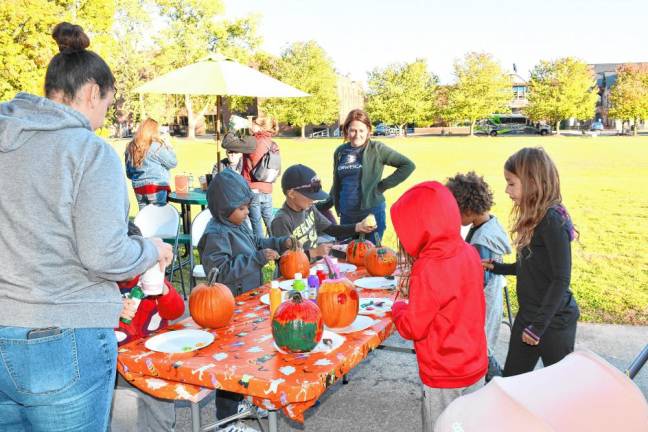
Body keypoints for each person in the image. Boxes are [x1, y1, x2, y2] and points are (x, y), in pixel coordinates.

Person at [0, 22, 172, 431]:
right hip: (64, 339)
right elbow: (105, 255)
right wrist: (152, 249)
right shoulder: (89, 151)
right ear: (93, 92)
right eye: (107, 106)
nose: (102, 119)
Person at [197, 169, 292, 431]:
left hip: (247, 302)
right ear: (223, 208)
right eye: (240, 209)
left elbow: (256, 242)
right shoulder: (217, 233)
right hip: (228, 306)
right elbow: (220, 271)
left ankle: (239, 403)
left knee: (248, 357)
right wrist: (257, 260)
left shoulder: (237, 223)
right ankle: (226, 421)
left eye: (246, 208)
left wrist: (279, 242)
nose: (245, 213)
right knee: (231, 364)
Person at [390, 181, 487, 430]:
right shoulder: (468, 251)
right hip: (474, 363)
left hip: (444, 372)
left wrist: (398, 309)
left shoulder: (427, 268)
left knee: (442, 425)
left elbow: (414, 327)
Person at [483, 147, 580, 377]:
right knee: (512, 381)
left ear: (532, 182)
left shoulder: (552, 219)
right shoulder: (533, 217)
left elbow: (560, 278)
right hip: (529, 315)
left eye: (511, 183)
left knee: (559, 386)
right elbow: (532, 266)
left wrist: (538, 328)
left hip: (553, 321)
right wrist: (498, 267)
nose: (507, 190)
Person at [109, 222, 185, 432]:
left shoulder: (151, 278)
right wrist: (111, 309)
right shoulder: (104, 287)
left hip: (155, 364)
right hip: (119, 367)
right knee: (122, 418)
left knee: (160, 414)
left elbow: (176, 311)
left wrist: (165, 292)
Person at [445, 171, 512, 382]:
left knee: (481, 350)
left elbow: (476, 280)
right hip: (490, 298)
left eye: (456, 212)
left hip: (481, 304)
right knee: (482, 348)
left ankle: (498, 383)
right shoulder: (488, 223)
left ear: (469, 209)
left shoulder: (482, 241)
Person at [317, 109, 415, 245]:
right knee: (347, 257)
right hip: (347, 217)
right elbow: (337, 183)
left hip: (371, 215)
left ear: (368, 130)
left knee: (372, 257)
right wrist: (325, 204)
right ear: (346, 130)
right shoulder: (340, 152)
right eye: (353, 130)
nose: (357, 135)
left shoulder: (377, 149)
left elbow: (407, 165)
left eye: (361, 131)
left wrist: (381, 186)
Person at [271, 164, 375, 260]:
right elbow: (286, 260)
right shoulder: (282, 220)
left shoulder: (309, 208)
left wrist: (358, 226)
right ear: (291, 194)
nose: (313, 200)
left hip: (314, 266)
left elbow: (331, 229)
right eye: (310, 196)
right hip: (296, 276)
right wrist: (314, 253)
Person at [222, 115, 280, 238]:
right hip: (267, 190)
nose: (250, 125)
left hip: (253, 190)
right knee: (272, 225)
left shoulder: (253, 141)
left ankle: (261, 254)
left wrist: (232, 128)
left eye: (252, 123)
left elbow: (227, 143)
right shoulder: (272, 142)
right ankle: (280, 252)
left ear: (259, 126)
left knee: (256, 227)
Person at [125, 117, 178, 209]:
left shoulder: (131, 147)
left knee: (144, 219)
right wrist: (169, 147)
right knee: (159, 218)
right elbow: (173, 163)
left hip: (138, 188)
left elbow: (129, 174)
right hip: (156, 187)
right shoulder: (156, 146)